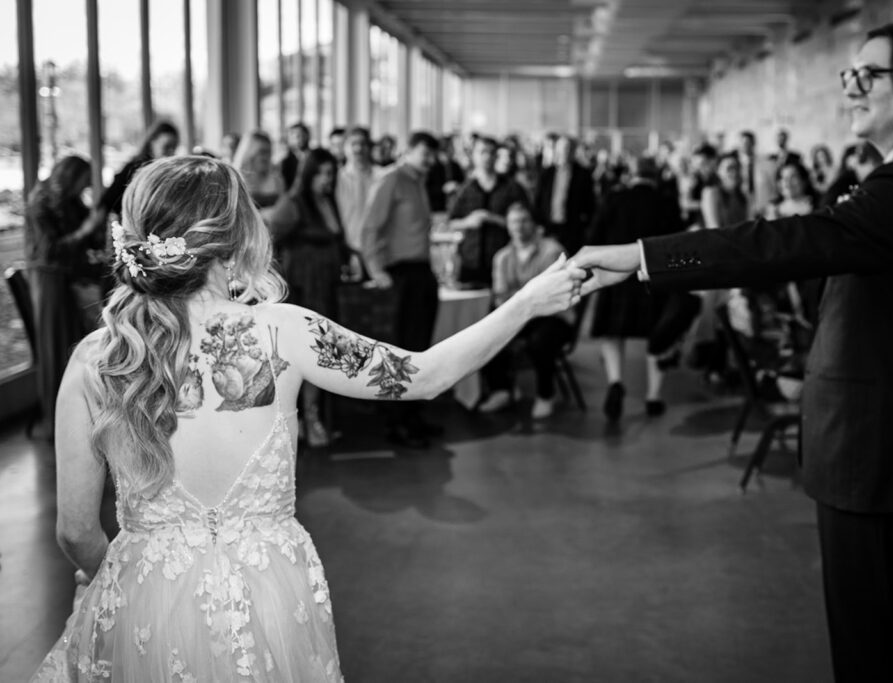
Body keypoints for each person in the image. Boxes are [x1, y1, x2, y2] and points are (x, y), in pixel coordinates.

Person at [30, 155, 583, 681]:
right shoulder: (284, 333)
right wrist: (527, 302)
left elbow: (76, 529)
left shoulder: (96, 359)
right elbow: (427, 374)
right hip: (266, 596)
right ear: (236, 234)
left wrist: (118, 578)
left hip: (141, 602)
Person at [574, 20, 893, 683]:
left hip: (885, 457)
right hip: (891, 449)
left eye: (867, 75)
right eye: (847, 73)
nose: (850, 88)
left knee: (878, 650)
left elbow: (782, 242)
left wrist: (642, 257)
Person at [588, 156, 698, 420]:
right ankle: (653, 396)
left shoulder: (614, 199)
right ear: (655, 176)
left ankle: (615, 381)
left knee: (613, 334)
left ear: (631, 174)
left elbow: (594, 236)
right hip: (652, 277)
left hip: (617, 275)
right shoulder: (665, 202)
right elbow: (678, 243)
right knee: (656, 336)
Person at [362, 131, 446, 447]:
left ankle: (414, 418)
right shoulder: (392, 180)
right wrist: (376, 270)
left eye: (432, 154)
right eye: (424, 153)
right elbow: (369, 227)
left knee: (420, 349)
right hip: (401, 274)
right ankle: (396, 424)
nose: (430, 159)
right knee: (402, 350)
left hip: (422, 271)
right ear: (407, 151)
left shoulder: (418, 181)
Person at [268, 148, 354, 447]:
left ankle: (313, 418)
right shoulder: (293, 203)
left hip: (325, 288)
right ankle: (305, 420)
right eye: (322, 173)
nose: (328, 180)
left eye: (332, 174)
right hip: (303, 290)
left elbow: (335, 237)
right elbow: (268, 239)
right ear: (309, 174)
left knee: (324, 354)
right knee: (308, 355)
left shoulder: (325, 202)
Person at [23, 156, 104, 440]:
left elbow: (91, 236)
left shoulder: (71, 201)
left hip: (71, 279)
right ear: (71, 177)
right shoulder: (41, 202)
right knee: (58, 347)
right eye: (83, 181)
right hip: (51, 281)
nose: (86, 187)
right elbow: (50, 251)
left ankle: (84, 412)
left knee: (74, 342)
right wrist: (86, 230)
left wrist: (99, 226)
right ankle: (59, 420)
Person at [478, 203, 574, 419]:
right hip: (518, 316)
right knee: (486, 334)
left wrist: (520, 299)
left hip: (553, 316)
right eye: (513, 222)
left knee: (541, 341)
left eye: (523, 221)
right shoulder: (502, 257)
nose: (518, 227)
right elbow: (500, 295)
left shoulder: (551, 251)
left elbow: (549, 295)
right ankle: (501, 390)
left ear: (534, 223)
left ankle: (545, 394)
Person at [448, 135, 530, 286]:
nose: (486, 157)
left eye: (491, 152)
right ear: (474, 156)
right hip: (470, 260)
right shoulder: (466, 189)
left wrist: (492, 218)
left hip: (504, 260)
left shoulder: (512, 188)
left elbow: (527, 222)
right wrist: (468, 222)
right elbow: (452, 221)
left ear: (496, 156)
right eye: (482, 152)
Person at [94, 119, 179, 225]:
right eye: (166, 147)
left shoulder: (166, 172)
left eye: (174, 148)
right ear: (152, 142)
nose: (171, 152)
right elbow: (108, 200)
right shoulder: (136, 168)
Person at [534, 135, 596, 256]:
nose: (564, 152)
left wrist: (585, 225)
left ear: (573, 151)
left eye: (568, 148)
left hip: (572, 228)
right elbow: (539, 200)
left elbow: (590, 203)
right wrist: (539, 223)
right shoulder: (547, 173)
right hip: (549, 227)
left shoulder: (583, 174)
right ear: (556, 150)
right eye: (561, 148)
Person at [335, 126, 384, 255]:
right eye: (353, 144)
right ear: (344, 148)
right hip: (348, 246)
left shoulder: (382, 176)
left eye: (363, 144)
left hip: (379, 246)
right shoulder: (337, 178)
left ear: (369, 147)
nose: (358, 149)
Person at [232, 130, 285, 209]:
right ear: (249, 153)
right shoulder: (236, 178)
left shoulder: (276, 179)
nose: (266, 157)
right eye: (262, 152)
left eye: (269, 152)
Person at [280, 122, 312, 190]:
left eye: (301, 135)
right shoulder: (286, 162)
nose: (297, 138)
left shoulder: (314, 158)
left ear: (307, 136)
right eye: (293, 135)